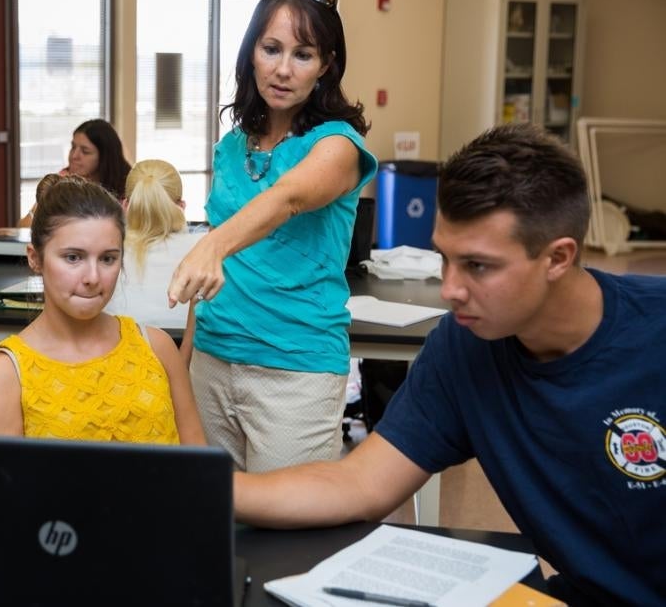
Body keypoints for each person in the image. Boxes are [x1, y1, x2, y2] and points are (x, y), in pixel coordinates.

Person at [234, 124, 666, 606]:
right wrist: (211, 491)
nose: (449, 290)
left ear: (558, 258)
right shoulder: (466, 346)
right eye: (446, 258)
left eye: (477, 266)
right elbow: (360, 482)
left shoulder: (655, 333)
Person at [167, 0, 378, 471]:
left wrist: (211, 245)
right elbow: (212, 276)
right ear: (251, 54)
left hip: (295, 372)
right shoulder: (232, 147)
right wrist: (183, 364)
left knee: (289, 540)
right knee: (215, 523)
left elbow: (287, 199)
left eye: (303, 55)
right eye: (271, 49)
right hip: (212, 363)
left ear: (325, 66)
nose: (283, 69)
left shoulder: (339, 146)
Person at [0, 176, 205, 445]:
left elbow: (199, 466)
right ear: (35, 258)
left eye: (107, 259)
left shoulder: (157, 348)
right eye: (73, 257)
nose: (93, 277)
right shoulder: (5, 375)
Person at [105, 159, 204, 335]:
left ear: (125, 205)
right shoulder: (206, 249)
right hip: (190, 358)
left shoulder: (104, 252)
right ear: (181, 206)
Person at [17, 119, 132, 225]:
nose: (74, 156)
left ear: (105, 157)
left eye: (85, 151)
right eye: (73, 147)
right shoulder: (61, 180)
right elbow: (24, 225)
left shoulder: (128, 186)